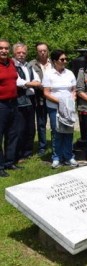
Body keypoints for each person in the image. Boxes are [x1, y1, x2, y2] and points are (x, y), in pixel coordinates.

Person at [43, 49, 78, 168]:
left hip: (68, 108)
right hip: (54, 108)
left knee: (68, 133)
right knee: (57, 132)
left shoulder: (69, 73)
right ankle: (56, 157)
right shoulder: (48, 74)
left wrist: (72, 99)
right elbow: (46, 93)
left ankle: (68, 156)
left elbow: (74, 89)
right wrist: (61, 102)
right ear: (54, 61)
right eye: (62, 59)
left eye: (66, 59)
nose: (65, 61)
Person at [13, 42, 42, 161]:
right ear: (14, 53)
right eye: (19, 52)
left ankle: (28, 152)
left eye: (23, 52)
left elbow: (38, 79)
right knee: (20, 128)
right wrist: (29, 83)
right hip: (19, 99)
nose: (21, 55)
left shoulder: (28, 65)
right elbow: (17, 81)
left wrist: (30, 83)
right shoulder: (12, 65)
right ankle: (18, 153)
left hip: (30, 99)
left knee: (30, 127)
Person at [0, 39, 20, 177]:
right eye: (1, 48)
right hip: (1, 104)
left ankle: (9, 162)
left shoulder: (11, 63)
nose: (4, 51)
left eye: (6, 48)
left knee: (13, 134)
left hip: (13, 103)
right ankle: (0, 166)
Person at [29, 42, 53, 156]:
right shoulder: (32, 64)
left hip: (53, 96)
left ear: (47, 50)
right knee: (41, 123)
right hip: (39, 97)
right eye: (40, 51)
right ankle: (42, 146)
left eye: (44, 50)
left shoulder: (53, 62)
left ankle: (55, 144)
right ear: (37, 52)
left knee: (55, 122)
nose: (43, 53)